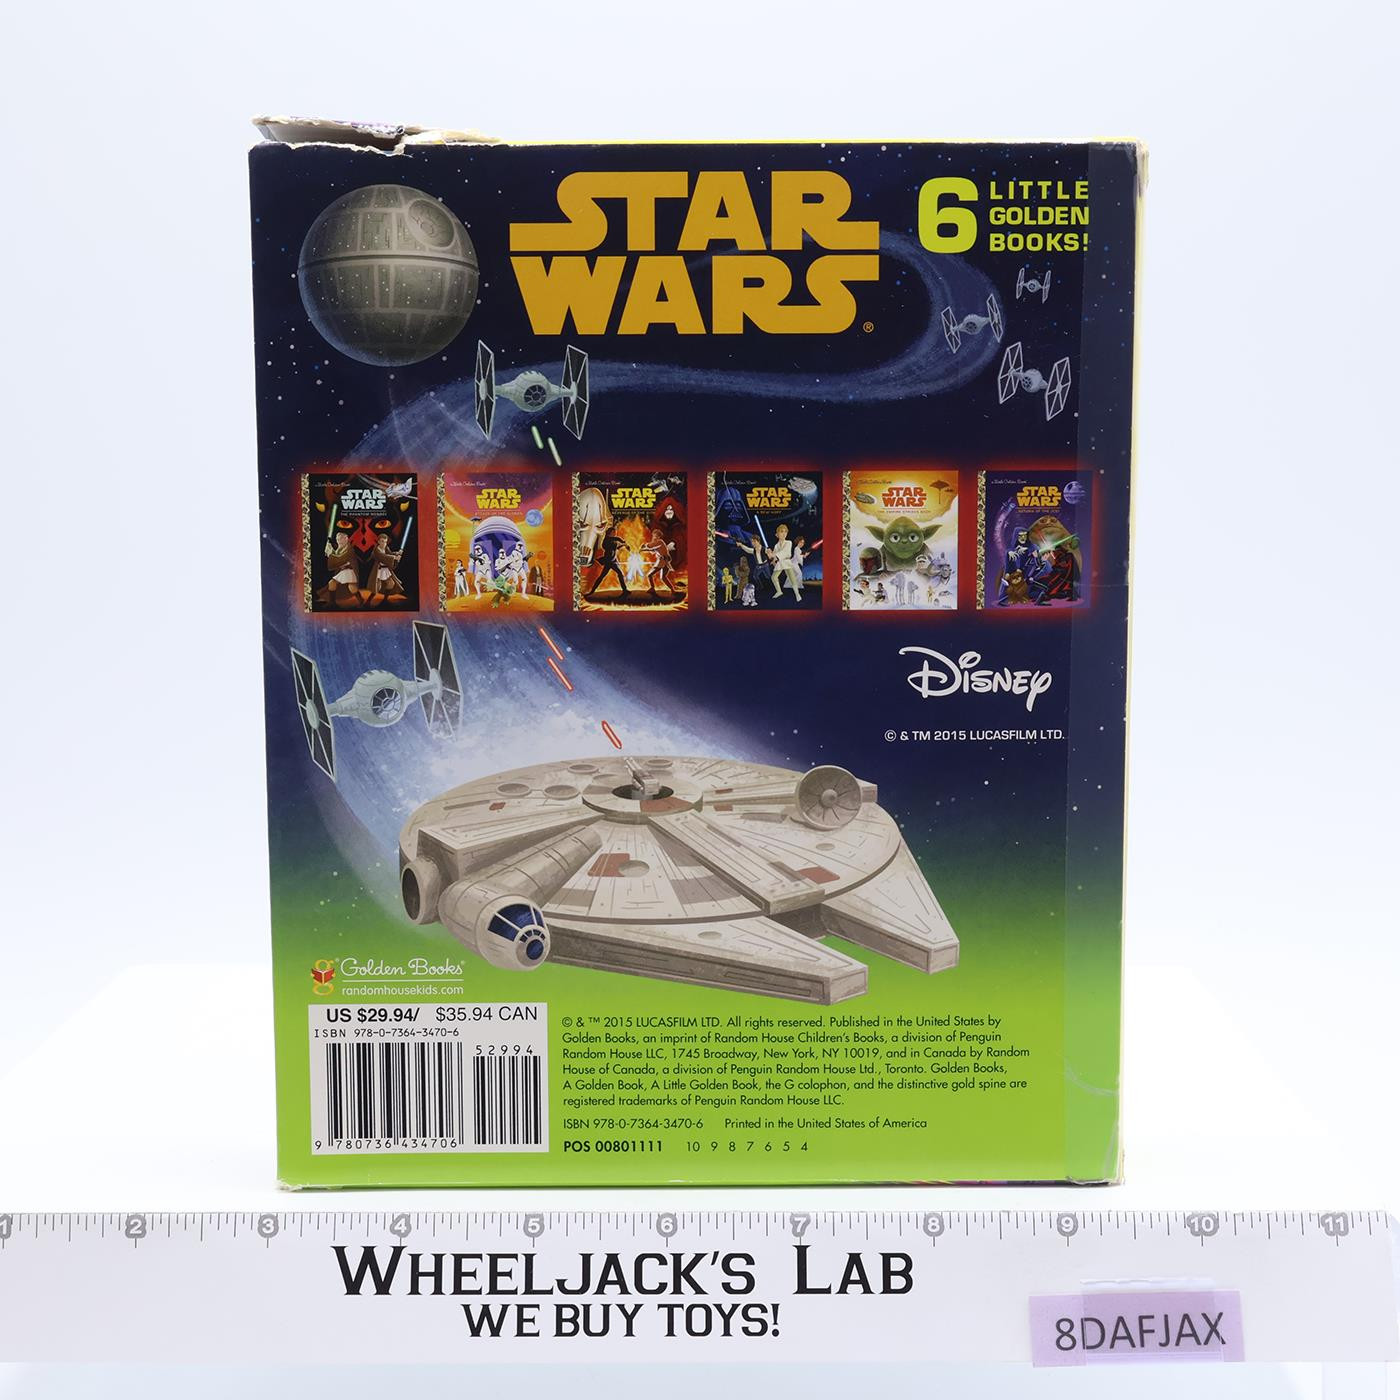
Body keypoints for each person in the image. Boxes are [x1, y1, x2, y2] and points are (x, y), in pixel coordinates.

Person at [586, 528, 630, 600]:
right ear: (609, 533)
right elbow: (614, 542)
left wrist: (624, 545)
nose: (615, 533)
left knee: (618, 574)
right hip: (609, 561)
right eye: (613, 532)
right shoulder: (606, 540)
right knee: (604, 576)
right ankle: (592, 591)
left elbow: (616, 547)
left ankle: (625, 591)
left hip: (613, 560)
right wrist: (622, 542)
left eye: (615, 532)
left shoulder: (612, 540)